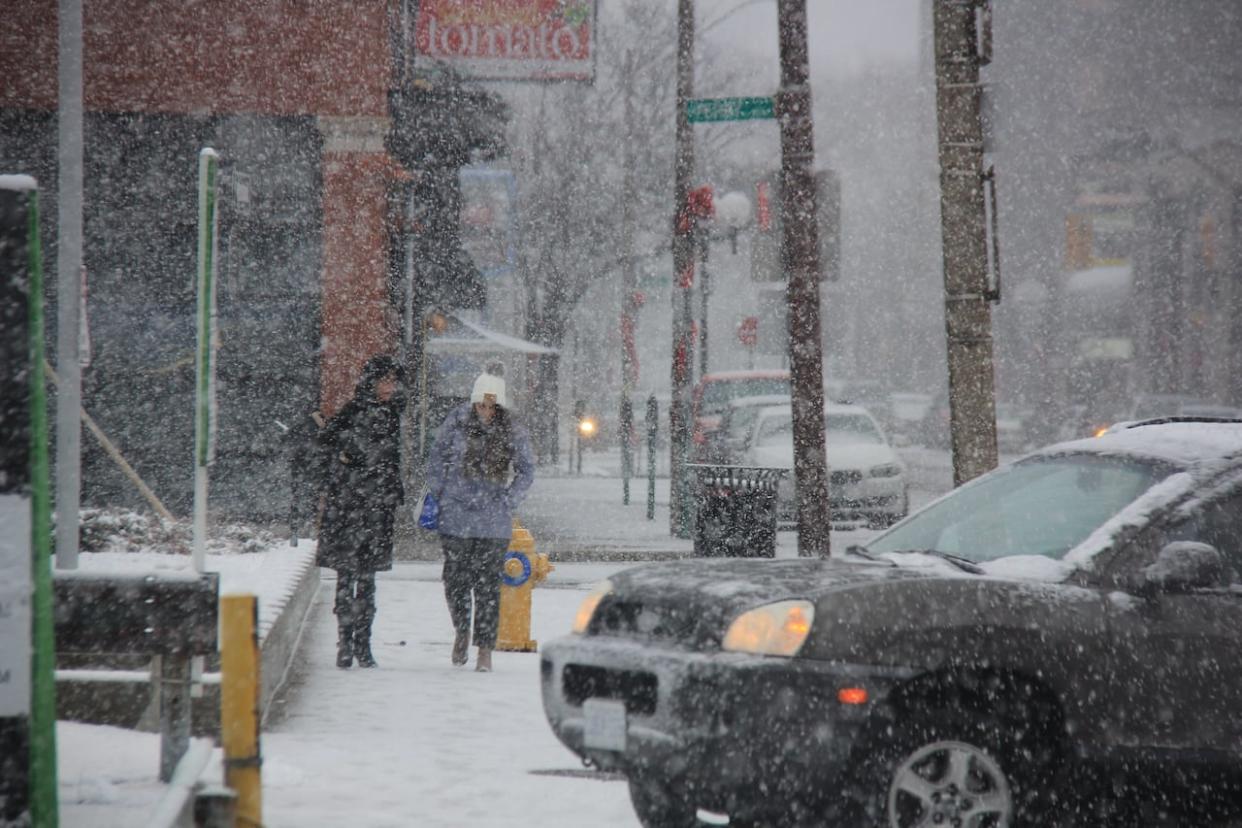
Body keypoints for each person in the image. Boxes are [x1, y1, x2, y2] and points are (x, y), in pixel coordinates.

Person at [426, 371, 534, 672]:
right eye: (480, 405)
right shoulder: (456, 423)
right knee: (456, 581)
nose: (485, 412)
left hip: (492, 521)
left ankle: (485, 648)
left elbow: (526, 470)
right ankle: (462, 630)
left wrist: (509, 500)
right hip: (456, 518)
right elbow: (436, 458)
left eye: (491, 406)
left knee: (487, 587)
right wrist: (442, 492)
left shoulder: (512, 430)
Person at [316, 354, 405, 669]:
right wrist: (347, 456)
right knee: (347, 577)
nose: (390, 387)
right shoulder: (354, 411)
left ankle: (363, 644)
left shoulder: (392, 413)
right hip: (350, 508)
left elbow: (388, 459)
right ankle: (345, 643)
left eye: (393, 381)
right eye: (385, 381)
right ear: (372, 382)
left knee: (367, 580)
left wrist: (392, 489)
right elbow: (326, 443)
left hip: (374, 509)